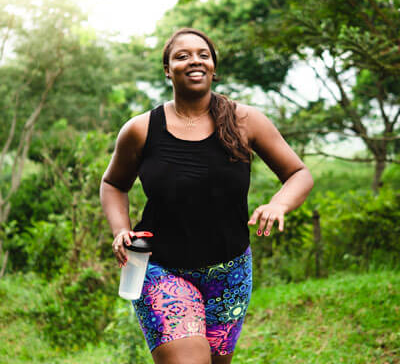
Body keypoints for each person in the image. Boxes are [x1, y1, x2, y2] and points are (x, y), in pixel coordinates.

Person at [100, 28, 314, 364]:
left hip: (230, 271)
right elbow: (113, 184)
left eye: (203, 54)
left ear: (213, 66)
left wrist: (279, 203)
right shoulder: (141, 129)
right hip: (159, 267)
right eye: (182, 56)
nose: (194, 60)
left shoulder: (245, 121)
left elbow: (298, 174)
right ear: (168, 70)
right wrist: (119, 229)